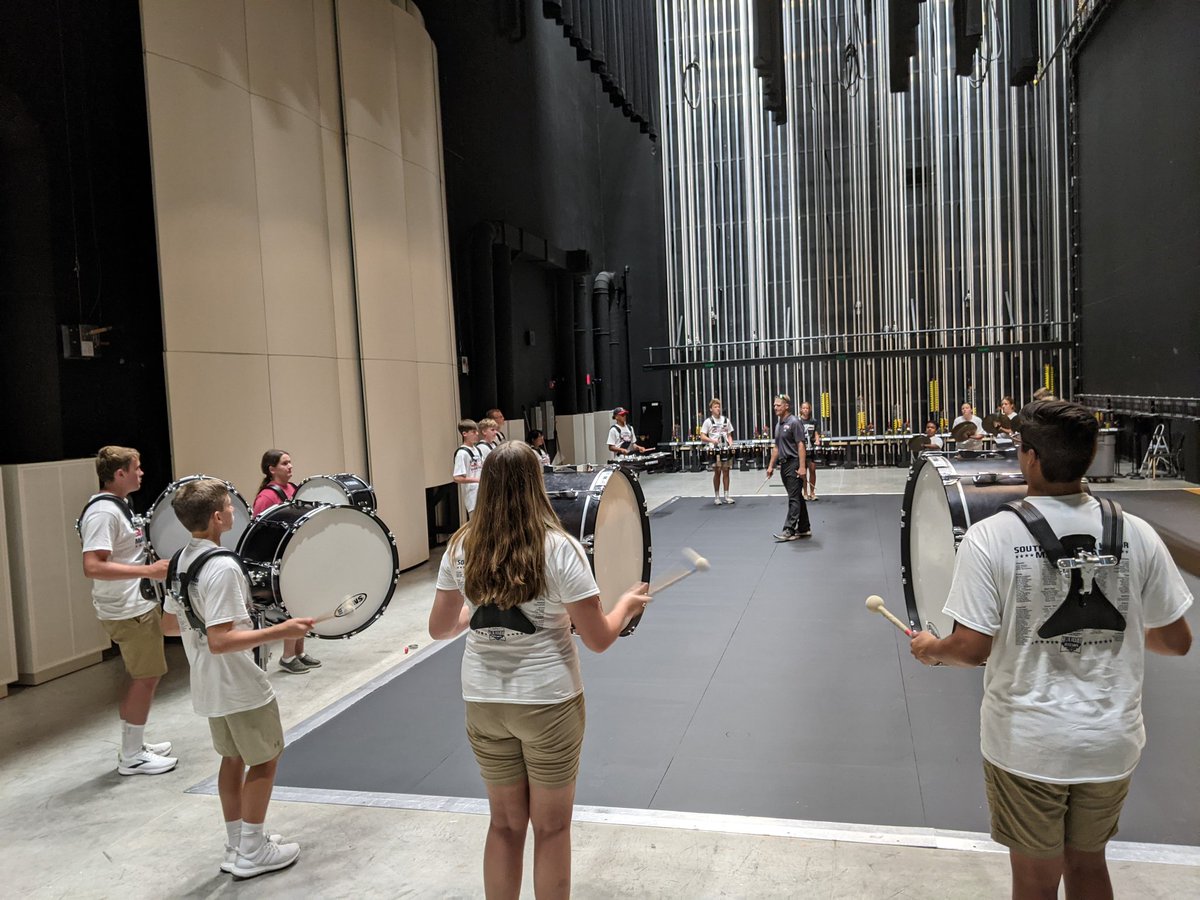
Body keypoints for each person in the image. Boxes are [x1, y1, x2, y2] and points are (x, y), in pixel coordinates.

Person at [910, 399, 1192, 900]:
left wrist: (932, 648)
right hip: (1110, 740)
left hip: (1029, 744)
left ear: (1031, 458)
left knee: (1036, 882)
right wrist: (1119, 629)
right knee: (1088, 867)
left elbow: (972, 649)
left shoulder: (990, 537)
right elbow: (1176, 640)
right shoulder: (1138, 533)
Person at [428, 442, 649, 900]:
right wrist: (625, 604)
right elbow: (599, 639)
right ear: (538, 486)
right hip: (548, 702)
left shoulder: (461, 546)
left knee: (505, 825)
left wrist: (477, 612)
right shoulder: (560, 549)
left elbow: (439, 628)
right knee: (551, 828)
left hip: (484, 701)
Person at [166, 478, 313, 879]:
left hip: (208, 682)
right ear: (216, 517)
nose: (234, 510)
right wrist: (282, 631)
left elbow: (168, 625)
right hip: (239, 683)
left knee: (232, 758)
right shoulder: (222, 567)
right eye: (229, 506)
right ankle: (252, 849)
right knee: (265, 759)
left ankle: (239, 841)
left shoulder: (179, 560)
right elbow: (222, 639)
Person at [79, 445, 177, 775]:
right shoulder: (103, 513)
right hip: (126, 607)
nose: (141, 473)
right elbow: (92, 566)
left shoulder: (119, 506)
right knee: (146, 676)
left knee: (143, 676)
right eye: (136, 468)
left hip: (135, 602)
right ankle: (132, 755)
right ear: (119, 474)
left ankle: (134, 742)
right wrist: (148, 572)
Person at [252, 449, 320, 675]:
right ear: (272, 469)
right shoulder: (266, 497)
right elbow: (259, 530)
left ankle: (299, 651)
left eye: (291, 462)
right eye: (284, 463)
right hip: (281, 559)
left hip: (299, 555)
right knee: (293, 607)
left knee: (304, 604)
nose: (290, 467)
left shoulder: (294, 489)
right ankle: (288, 656)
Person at [765, 394, 811, 542]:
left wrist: (802, 467)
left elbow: (801, 445)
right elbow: (777, 447)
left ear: (786, 406)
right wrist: (771, 465)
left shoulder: (794, 422)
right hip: (783, 464)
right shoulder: (778, 425)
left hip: (794, 463)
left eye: (778, 405)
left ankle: (789, 529)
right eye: (774, 405)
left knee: (793, 498)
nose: (775, 407)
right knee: (796, 496)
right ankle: (804, 528)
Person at [699, 398, 735, 505]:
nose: (718, 408)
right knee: (717, 472)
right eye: (715, 407)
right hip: (715, 450)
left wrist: (731, 444)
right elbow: (702, 436)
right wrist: (712, 441)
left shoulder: (726, 420)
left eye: (719, 406)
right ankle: (717, 496)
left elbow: (729, 434)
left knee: (726, 471)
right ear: (711, 409)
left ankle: (727, 495)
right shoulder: (708, 421)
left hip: (725, 449)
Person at [453, 419, 485, 517]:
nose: (476, 434)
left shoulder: (477, 450)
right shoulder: (461, 453)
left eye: (477, 431)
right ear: (464, 434)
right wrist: (477, 480)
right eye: (473, 432)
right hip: (472, 497)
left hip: (483, 493)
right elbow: (457, 477)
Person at [798, 400, 820, 501]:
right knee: (803, 472)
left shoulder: (813, 421)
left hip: (812, 449)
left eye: (807, 408)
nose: (806, 410)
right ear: (801, 409)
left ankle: (812, 492)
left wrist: (817, 439)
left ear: (809, 409)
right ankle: (805, 492)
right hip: (802, 450)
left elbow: (816, 432)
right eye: (804, 408)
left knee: (812, 470)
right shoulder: (797, 421)